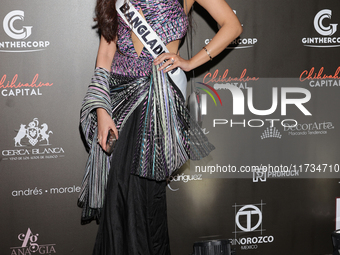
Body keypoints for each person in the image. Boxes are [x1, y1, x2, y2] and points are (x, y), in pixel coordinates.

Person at [78, 0, 242, 254]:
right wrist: (101, 109)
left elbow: (232, 25)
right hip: (119, 99)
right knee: (120, 193)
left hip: (159, 100)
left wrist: (190, 62)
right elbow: (106, 54)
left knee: (142, 195)